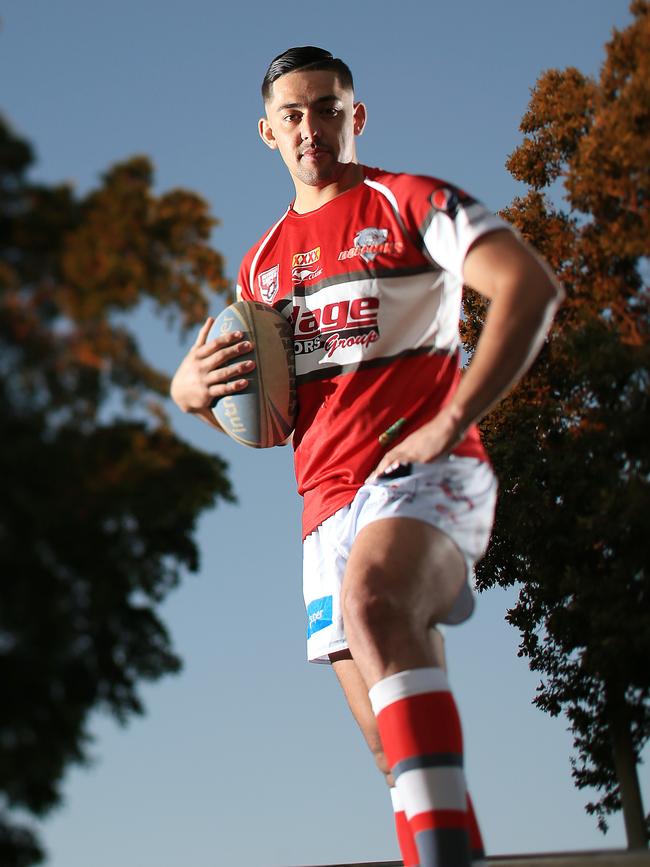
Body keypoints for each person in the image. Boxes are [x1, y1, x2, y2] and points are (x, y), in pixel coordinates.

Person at [171, 46, 563, 867]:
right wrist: (194, 398)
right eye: (292, 114)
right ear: (267, 132)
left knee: (379, 604)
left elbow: (529, 287)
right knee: (395, 758)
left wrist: (453, 418)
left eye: (326, 107)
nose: (310, 127)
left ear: (357, 115)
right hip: (324, 514)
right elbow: (278, 424)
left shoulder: (408, 200)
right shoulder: (260, 266)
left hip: (426, 470)